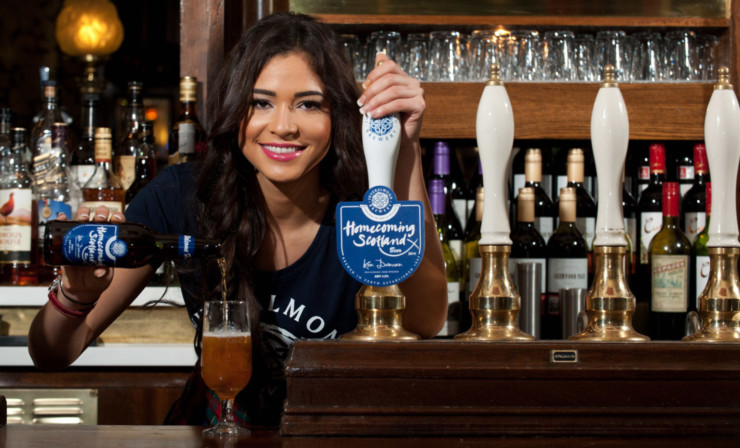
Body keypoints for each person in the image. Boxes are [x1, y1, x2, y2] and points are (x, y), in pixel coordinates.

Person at [28, 12, 447, 426]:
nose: (283, 126)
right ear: (234, 110)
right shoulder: (182, 196)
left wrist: (405, 146)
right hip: (216, 432)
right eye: (260, 103)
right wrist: (75, 295)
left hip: (326, 434)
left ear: (336, 116)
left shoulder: (360, 208)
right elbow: (53, 354)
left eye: (309, 104)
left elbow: (425, 320)